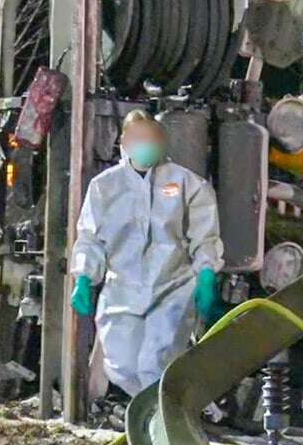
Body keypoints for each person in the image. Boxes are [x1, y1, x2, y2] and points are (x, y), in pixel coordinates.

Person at [69, 110, 224, 396]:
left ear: (164, 142)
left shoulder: (188, 184)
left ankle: (165, 424)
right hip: (121, 290)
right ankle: (167, 413)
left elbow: (205, 236)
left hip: (173, 287)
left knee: (156, 363)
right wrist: (84, 278)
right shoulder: (105, 186)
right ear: (124, 143)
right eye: (139, 138)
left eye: (152, 138)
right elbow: (90, 238)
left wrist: (205, 273)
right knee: (121, 367)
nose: (146, 145)